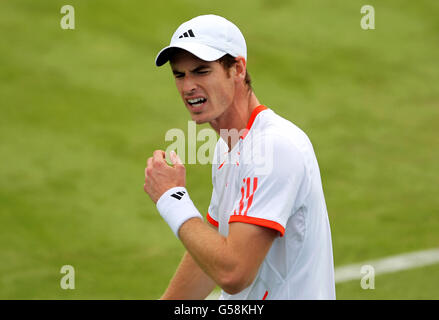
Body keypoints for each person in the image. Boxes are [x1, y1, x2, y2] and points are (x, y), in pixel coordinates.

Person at [144, 14, 336, 300]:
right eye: (179, 74)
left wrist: (173, 199)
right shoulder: (229, 145)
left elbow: (233, 272)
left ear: (238, 69)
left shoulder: (275, 148)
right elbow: (210, 255)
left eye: (201, 71)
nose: (188, 87)